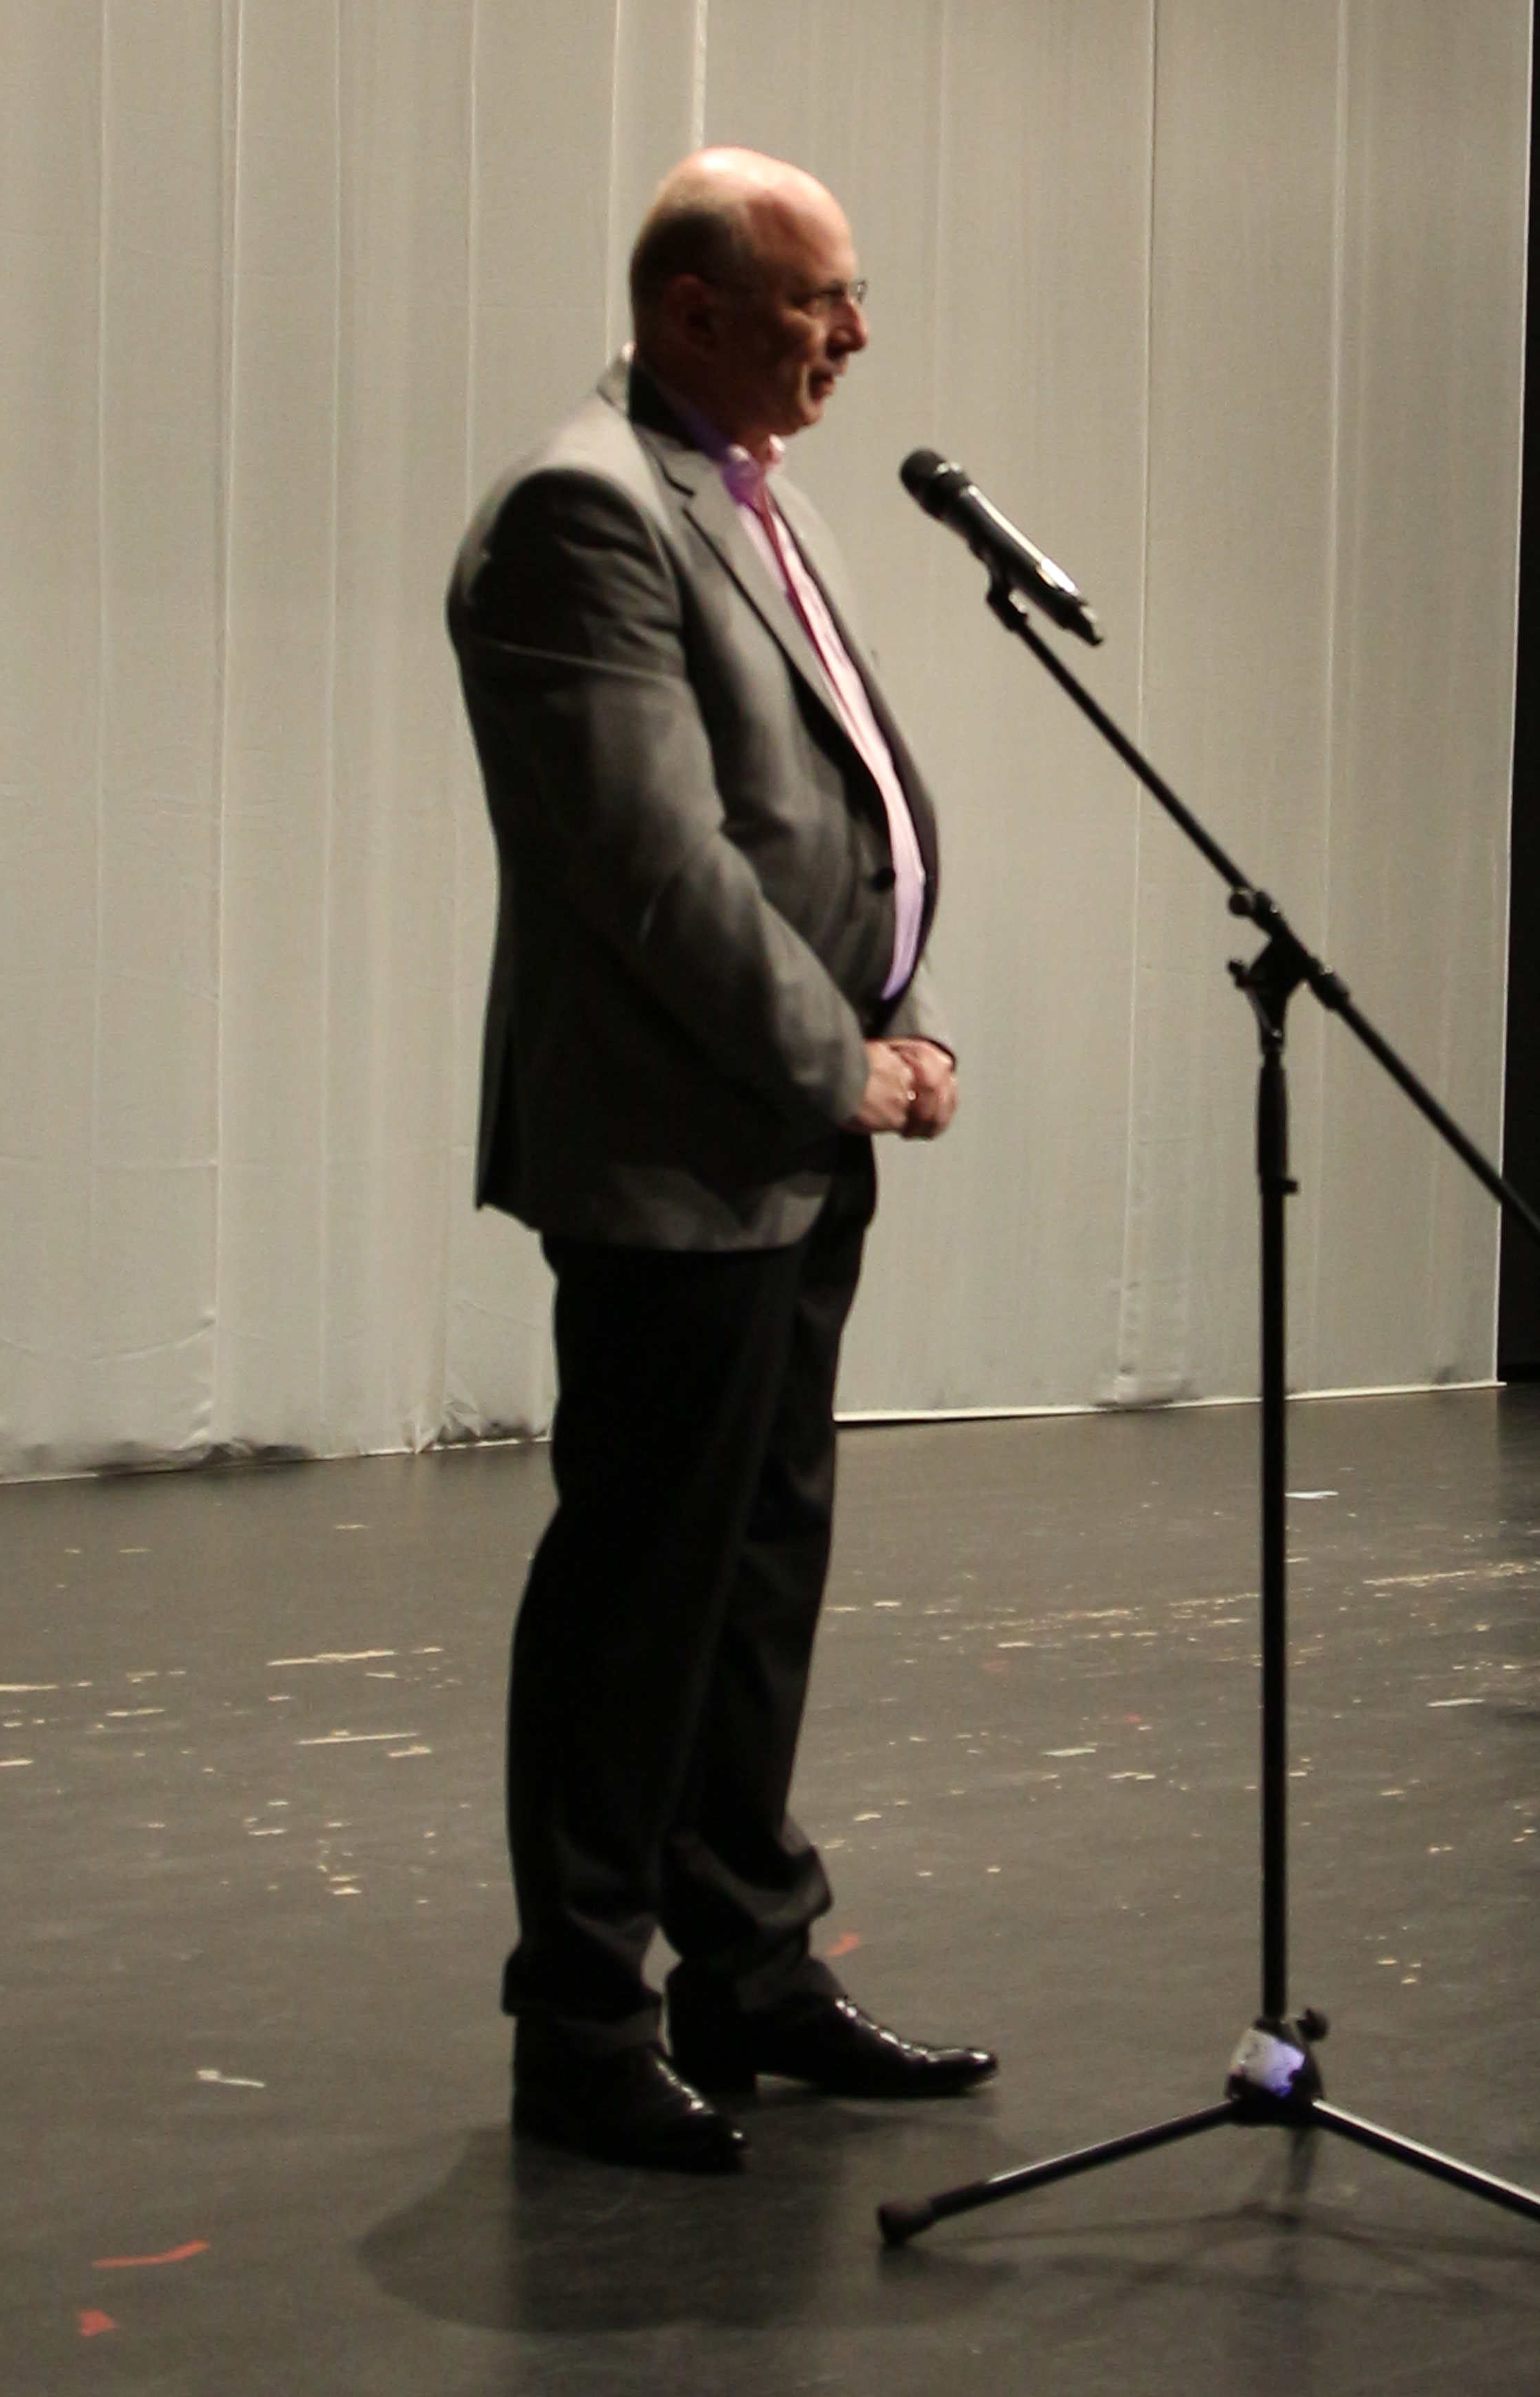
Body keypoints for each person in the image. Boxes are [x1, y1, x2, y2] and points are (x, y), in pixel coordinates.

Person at [446, 146, 995, 2173]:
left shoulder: (757, 494)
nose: (857, 332)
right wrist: (842, 1067)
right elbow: (653, 869)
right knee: (642, 1589)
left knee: (756, 1574)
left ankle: (750, 1968)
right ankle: (583, 2022)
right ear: (695, 310)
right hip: (682, 1144)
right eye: (819, 298)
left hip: (794, 1128)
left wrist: (903, 1026)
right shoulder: (584, 510)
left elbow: (832, 810)